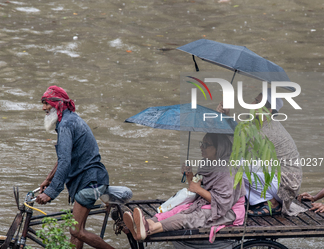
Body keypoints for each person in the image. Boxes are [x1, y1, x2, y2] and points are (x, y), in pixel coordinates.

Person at [35, 85, 132, 249]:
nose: (44, 107)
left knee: (76, 231)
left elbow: (65, 161)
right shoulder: (71, 119)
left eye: (46, 103)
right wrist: (48, 180)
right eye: (43, 103)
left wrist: (51, 193)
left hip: (89, 182)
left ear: (58, 104)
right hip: (90, 179)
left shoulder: (66, 124)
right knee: (76, 234)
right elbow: (64, 158)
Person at [123, 133, 246, 245]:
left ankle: (149, 229)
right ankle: (144, 225)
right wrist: (190, 175)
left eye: (206, 145)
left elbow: (222, 202)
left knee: (186, 218)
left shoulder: (228, 171)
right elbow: (197, 187)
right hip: (207, 203)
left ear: (219, 149)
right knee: (176, 210)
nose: (201, 147)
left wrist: (198, 189)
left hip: (226, 211)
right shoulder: (207, 163)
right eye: (201, 144)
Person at [217, 88, 303, 216]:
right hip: (274, 177)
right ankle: (257, 199)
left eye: (257, 102)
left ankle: (273, 203)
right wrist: (225, 115)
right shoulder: (257, 123)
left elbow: (237, 145)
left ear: (268, 111)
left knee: (236, 163)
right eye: (255, 100)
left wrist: (225, 117)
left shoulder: (268, 129)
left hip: (286, 186)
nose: (251, 104)